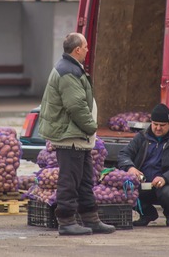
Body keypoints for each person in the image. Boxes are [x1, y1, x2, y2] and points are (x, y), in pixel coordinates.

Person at [38, 32, 116, 236]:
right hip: (70, 136)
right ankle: (66, 221)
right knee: (70, 180)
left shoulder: (71, 68)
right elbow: (76, 106)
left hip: (78, 137)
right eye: (86, 47)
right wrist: (91, 127)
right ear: (77, 50)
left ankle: (90, 219)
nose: (88, 50)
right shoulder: (68, 71)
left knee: (84, 180)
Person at [117, 103, 169, 227]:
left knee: (168, 193)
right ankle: (147, 213)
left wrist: (165, 178)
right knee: (123, 190)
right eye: (155, 124)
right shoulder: (141, 137)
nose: (157, 128)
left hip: (168, 185)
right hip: (143, 184)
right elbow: (123, 154)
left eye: (162, 125)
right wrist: (130, 167)